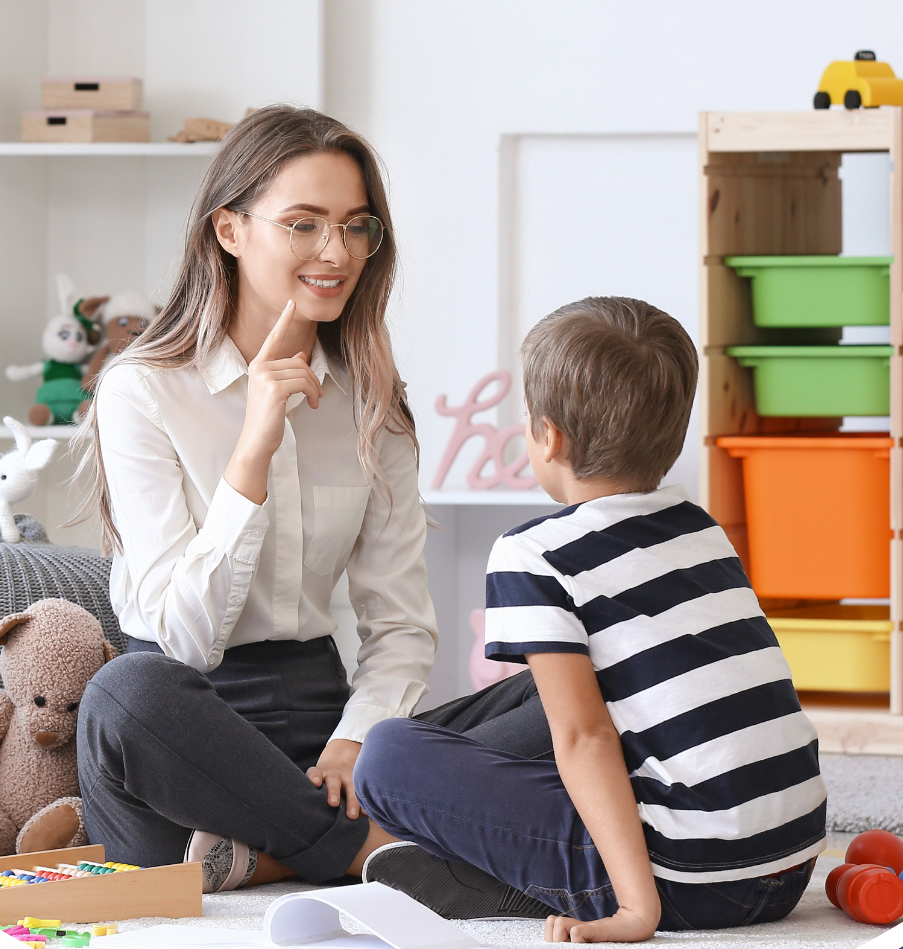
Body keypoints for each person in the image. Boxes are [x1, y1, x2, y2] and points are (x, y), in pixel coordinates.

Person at [72, 105, 556, 899]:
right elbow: (183, 641)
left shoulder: (372, 402)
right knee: (124, 694)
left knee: (584, 676)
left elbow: (399, 624)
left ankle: (279, 853)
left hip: (323, 733)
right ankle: (377, 846)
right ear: (229, 230)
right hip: (187, 738)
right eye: (303, 224)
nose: (337, 252)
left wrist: (359, 737)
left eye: (356, 225)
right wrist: (253, 446)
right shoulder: (143, 391)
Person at [354, 297, 827, 942]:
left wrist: (637, 910)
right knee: (534, 694)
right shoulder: (703, 528)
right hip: (790, 863)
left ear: (549, 436)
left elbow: (584, 740)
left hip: (693, 880)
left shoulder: (532, 554)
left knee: (386, 758)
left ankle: (511, 881)